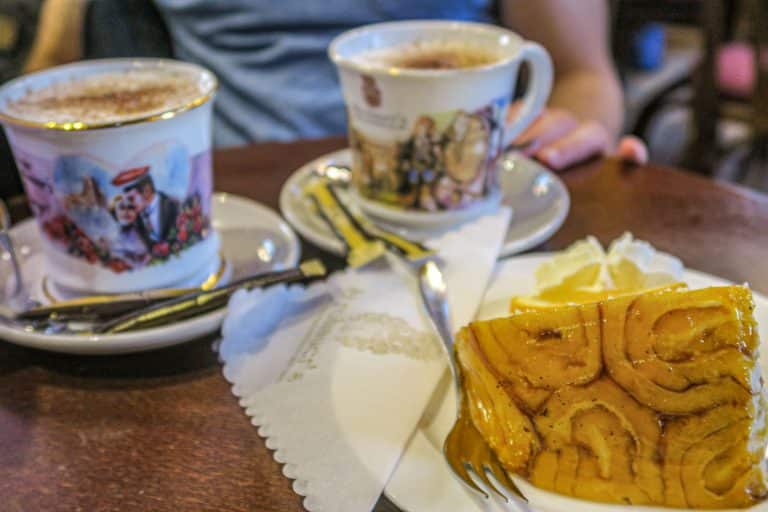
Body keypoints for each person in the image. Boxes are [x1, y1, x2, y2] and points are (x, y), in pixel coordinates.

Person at [24, 0, 647, 172]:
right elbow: (53, 83)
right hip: (241, 224)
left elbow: (580, 75)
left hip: (463, 210)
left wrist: (567, 132)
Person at [111, 166, 179, 248]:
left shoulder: (173, 205)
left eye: (131, 198)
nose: (129, 204)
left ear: (147, 190)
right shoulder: (137, 219)